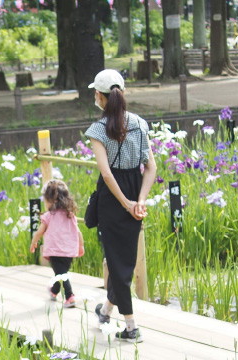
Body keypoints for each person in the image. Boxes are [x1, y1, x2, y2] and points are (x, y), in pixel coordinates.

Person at [85, 69, 157, 343]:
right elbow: (151, 167)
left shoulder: (98, 130)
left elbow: (106, 174)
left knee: (118, 265)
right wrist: (139, 200)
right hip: (134, 190)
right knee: (123, 260)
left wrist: (126, 203)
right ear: (122, 93)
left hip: (113, 199)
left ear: (101, 98)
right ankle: (105, 311)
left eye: (96, 93)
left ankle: (131, 327)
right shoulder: (139, 123)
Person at [29, 179, 84, 308]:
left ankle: (70, 296)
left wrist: (33, 242)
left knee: (61, 274)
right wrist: (80, 246)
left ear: (51, 201)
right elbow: (78, 232)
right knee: (61, 273)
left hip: (55, 251)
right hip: (69, 251)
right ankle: (54, 291)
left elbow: (39, 232)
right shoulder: (70, 215)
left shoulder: (48, 216)